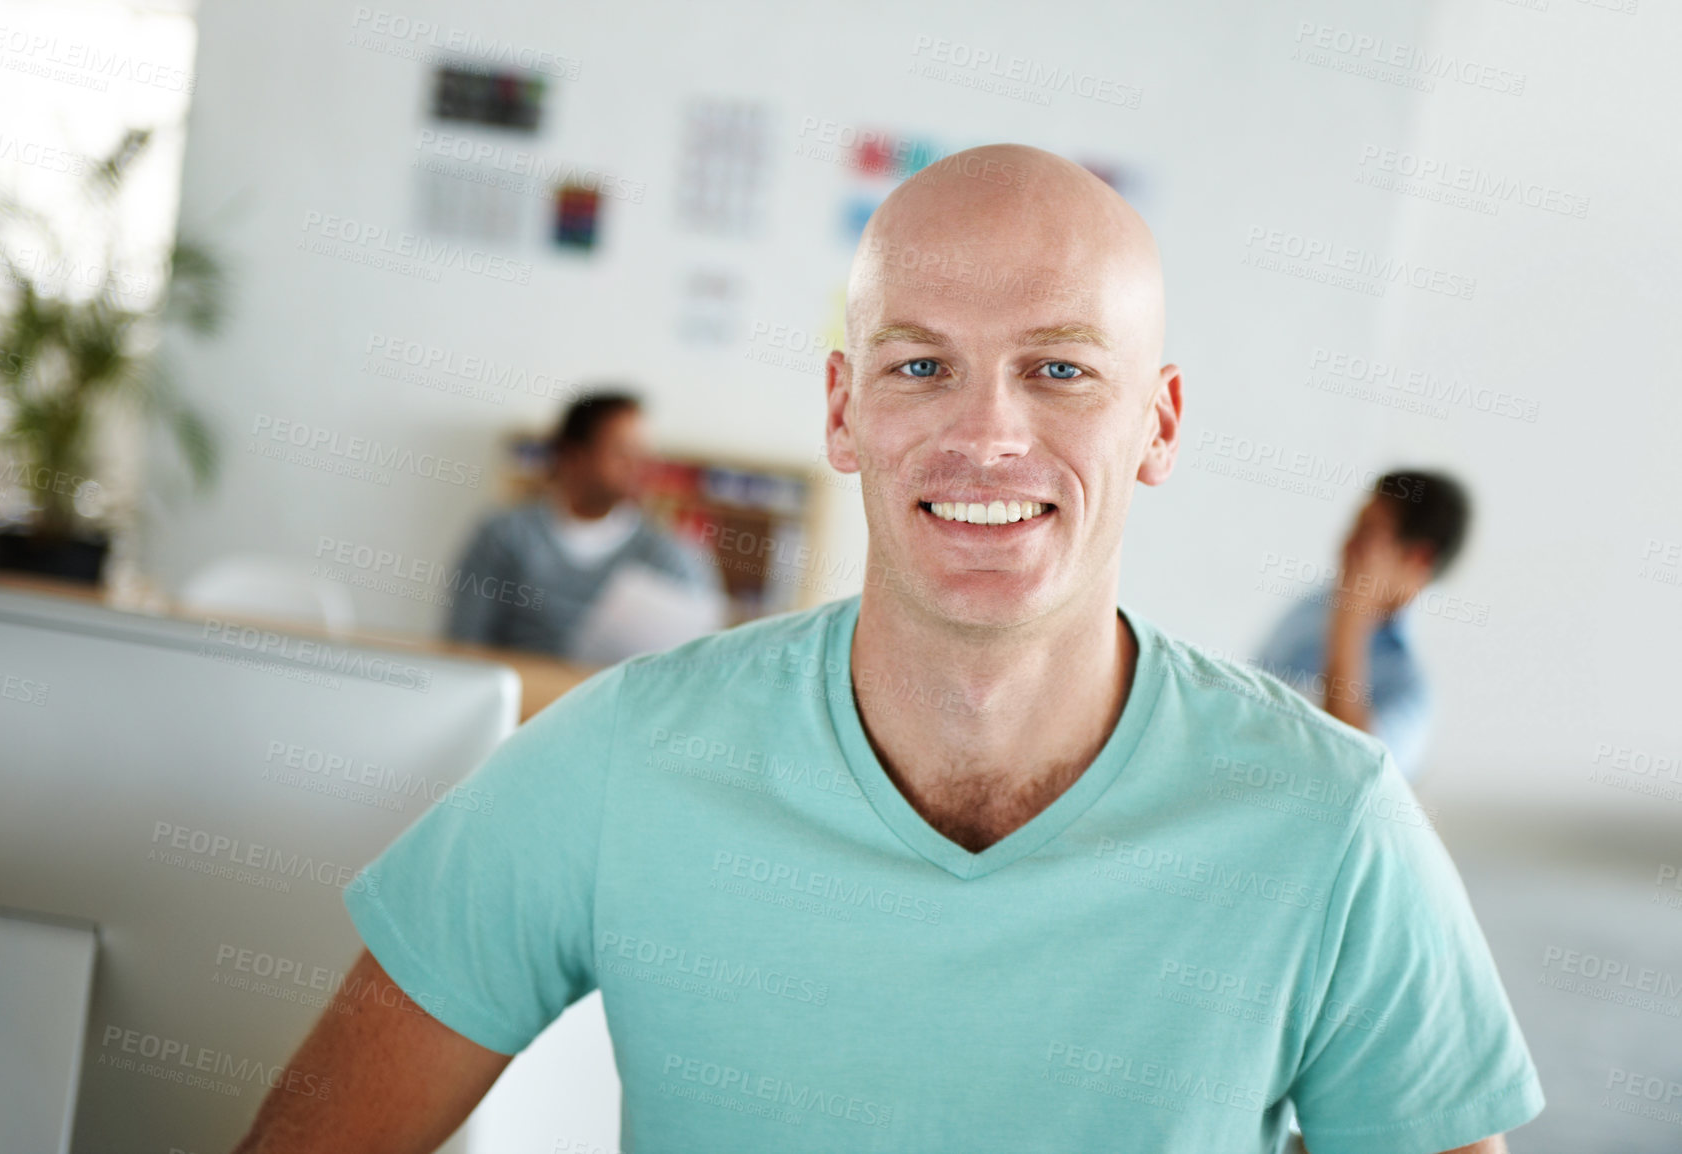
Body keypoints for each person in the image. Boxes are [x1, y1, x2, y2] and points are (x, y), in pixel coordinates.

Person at [232, 145, 1541, 1154]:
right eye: (921, 366)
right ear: (844, 410)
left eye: (1062, 370)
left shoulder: (1332, 826)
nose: (986, 434)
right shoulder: (621, 758)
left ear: (1161, 421)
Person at [444, 390, 723, 658]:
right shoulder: (503, 535)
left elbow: (696, 659)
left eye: (644, 453)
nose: (640, 466)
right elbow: (465, 644)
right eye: (622, 452)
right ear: (573, 456)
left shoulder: (671, 554)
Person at [1254, 472, 1472, 784]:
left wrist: (1350, 621)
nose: (1346, 545)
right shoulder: (1309, 608)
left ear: (1418, 558)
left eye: (1368, 534)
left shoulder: (1409, 691)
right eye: (1353, 526)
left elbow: (1353, 772)